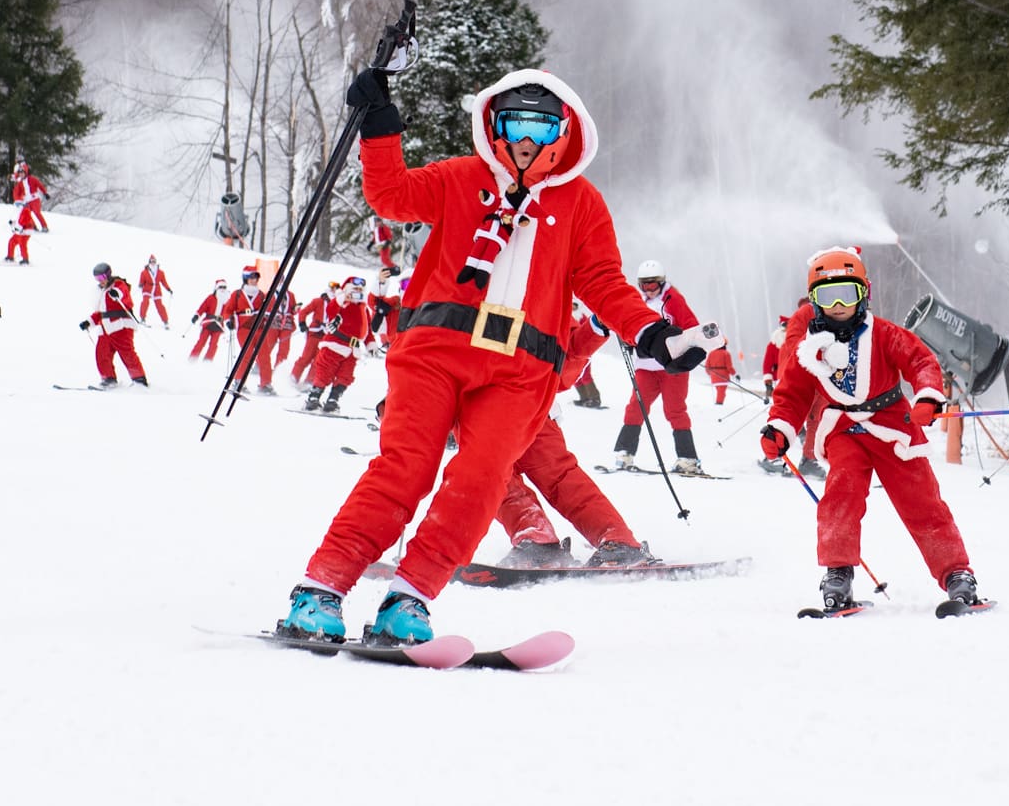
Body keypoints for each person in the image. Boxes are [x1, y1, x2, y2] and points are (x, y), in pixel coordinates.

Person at [276, 62, 696, 646]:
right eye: (517, 123)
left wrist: (649, 332)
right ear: (495, 124)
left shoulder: (581, 203)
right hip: (434, 350)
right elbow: (392, 195)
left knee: (481, 480)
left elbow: (602, 281)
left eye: (545, 128)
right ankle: (320, 589)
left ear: (567, 132)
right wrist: (379, 124)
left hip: (519, 372)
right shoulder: (460, 177)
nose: (528, 140)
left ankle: (411, 598)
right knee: (406, 468)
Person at [761, 246, 984, 615]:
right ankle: (838, 574)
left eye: (846, 294)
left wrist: (928, 396)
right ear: (813, 302)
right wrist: (780, 429)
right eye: (825, 296)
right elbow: (791, 395)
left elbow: (920, 361)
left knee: (922, 503)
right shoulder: (809, 350)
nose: (837, 305)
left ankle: (957, 573)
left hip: (894, 427)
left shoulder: (883, 333)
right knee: (839, 499)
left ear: (864, 292)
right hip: (844, 430)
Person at [495, 306, 651, 564]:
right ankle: (537, 538)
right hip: (484, 405)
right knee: (494, 478)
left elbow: (563, 362)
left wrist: (596, 328)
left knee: (546, 476)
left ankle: (615, 540)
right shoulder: (454, 294)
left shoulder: (535, 292)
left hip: (527, 402)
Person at [612, 259, 709, 476]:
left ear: (662, 281)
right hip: (645, 366)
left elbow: (691, 325)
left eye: (652, 284)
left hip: (670, 367)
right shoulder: (638, 300)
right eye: (644, 284)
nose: (648, 289)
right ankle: (624, 453)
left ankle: (688, 458)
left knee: (674, 410)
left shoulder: (674, 299)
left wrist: (686, 346)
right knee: (635, 408)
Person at [757, 318, 825, 479]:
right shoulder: (780, 342)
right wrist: (768, 381)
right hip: (790, 381)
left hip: (807, 380)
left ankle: (808, 458)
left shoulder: (805, 337)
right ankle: (774, 457)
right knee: (792, 418)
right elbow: (770, 363)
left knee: (812, 419)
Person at [302, 276, 369, 413]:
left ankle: (333, 400)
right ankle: (313, 398)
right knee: (325, 372)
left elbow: (367, 329)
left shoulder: (363, 308)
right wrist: (342, 298)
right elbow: (331, 311)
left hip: (352, 349)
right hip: (335, 344)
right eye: (354, 289)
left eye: (360, 290)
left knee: (346, 376)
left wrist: (371, 344)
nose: (357, 292)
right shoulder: (341, 304)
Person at [80, 262, 148, 388]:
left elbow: (123, 294)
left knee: (126, 352)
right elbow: (100, 312)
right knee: (101, 352)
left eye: (101, 278)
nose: (99, 281)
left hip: (121, 325)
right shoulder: (101, 292)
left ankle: (139, 379)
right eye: (97, 279)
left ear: (108, 275)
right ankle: (108, 378)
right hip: (106, 328)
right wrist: (88, 322)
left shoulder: (118, 284)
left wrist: (116, 293)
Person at [220, 267, 277, 393]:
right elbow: (228, 309)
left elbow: (268, 309)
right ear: (245, 278)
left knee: (264, 356)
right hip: (245, 329)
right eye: (251, 277)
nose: (254, 280)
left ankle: (265, 384)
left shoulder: (261, 294)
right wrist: (228, 320)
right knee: (247, 354)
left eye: (256, 278)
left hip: (259, 328)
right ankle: (239, 381)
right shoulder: (238, 294)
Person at [289, 283, 338, 386]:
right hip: (314, 333)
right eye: (332, 289)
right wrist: (302, 323)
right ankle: (293, 378)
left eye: (336, 290)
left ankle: (309, 382)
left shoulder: (339, 305)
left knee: (318, 360)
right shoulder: (318, 301)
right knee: (306, 357)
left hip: (327, 336)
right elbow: (304, 312)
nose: (334, 292)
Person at [190, 279, 229, 361]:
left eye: (224, 287)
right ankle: (193, 357)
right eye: (220, 287)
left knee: (214, 344)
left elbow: (229, 312)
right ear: (216, 288)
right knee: (202, 341)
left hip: (218, 325)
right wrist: (196, 316)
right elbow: (202, 308)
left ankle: (208, 360)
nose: (222, 289)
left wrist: (231, 321)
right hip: (208, 323)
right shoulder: (211, 298)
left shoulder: (227, 301)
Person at [11, 161, 50, 231]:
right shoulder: (20, 183)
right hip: (27, 201)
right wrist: (17, 200)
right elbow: (17, 192)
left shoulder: (32, 179)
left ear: (26, 172)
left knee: (37, 212)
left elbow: (40, 185)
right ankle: (33, 225)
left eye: (22, 173)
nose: (21, 175)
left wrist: (45, 193)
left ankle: (44, 226)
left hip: (34, 199)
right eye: (20, 173)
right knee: (26, 213)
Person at [138, 255, 173, 326]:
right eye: (151, 261)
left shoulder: (160, 272)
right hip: (147, 288)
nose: (153, 263)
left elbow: (164, 282)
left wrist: (168, 289)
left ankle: (165, 321)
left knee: (159, 305)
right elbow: (141, 281)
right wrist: (141, 284)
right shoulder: (144, 272)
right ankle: (142, 318)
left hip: (156, 289)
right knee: (145, 302)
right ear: (149, 262)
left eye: (154, 261)